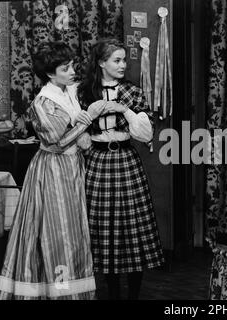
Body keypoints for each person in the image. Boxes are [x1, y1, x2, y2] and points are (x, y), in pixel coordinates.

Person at [0, 41, 105, 299]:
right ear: (50, 74)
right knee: (57, 231)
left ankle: (69, 291)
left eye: (71, 66)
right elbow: (58, 141)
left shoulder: (67, 92)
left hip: (71, 168)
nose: (71, 71)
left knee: (72, 230)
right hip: (54, 170)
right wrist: (88, 118)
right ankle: (60, 292)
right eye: (65, 68)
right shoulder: (43, 102)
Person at [77, 38, 165, 300]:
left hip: (126, 162)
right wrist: (87, 118)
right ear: (101, 63)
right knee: (104, 232)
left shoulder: (133, 92)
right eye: (116, 60)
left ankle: (133, 296)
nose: (122, 65)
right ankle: (113, 293)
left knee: (132, 231)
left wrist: (123, 109)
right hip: (97, 163)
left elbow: (146, 133)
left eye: (124, 60)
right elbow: (79, 138)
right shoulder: (84, 92)